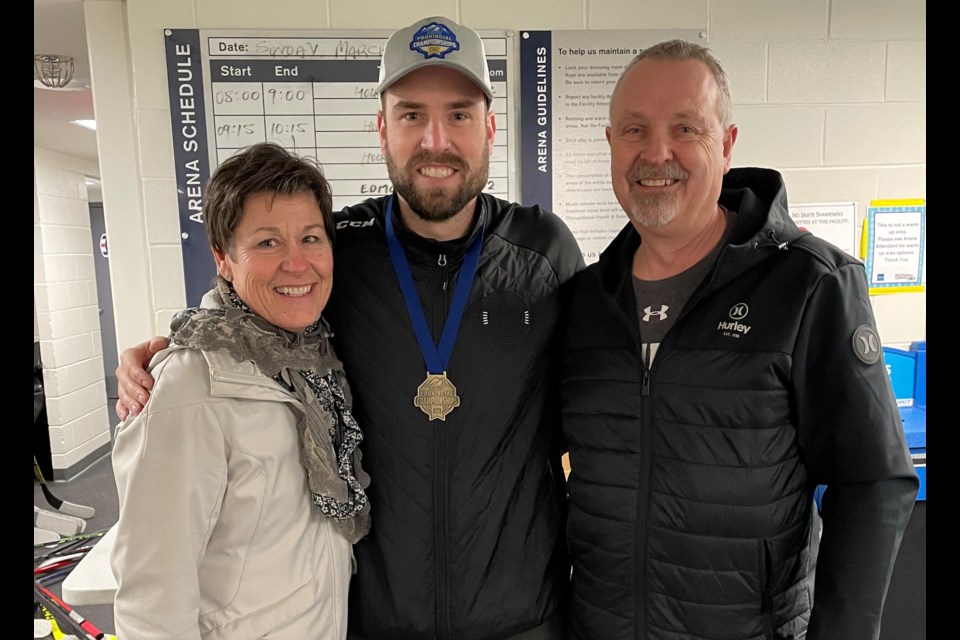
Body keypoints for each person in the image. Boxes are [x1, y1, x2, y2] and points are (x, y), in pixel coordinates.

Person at [114, 16, 584, 640]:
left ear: (491, 127)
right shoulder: (345, 252)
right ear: (382, 129)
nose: (435, 139)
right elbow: (260, 310)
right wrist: (173, 350)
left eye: (460, 113)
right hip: (374, 620)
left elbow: (602, 383)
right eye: (412, 114)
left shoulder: (543, 252)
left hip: (522, 620)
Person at [559, 40, 919, 640]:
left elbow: (873, 481)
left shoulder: (809, 285)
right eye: (634, 130)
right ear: (610, 144)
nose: (656, 153)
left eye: (685, 128)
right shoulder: (586, 301)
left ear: (725, 145)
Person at [109, 142, 371, 639]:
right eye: (267, 243)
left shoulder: (319, 358)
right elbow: (151, 594)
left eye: (311, 238)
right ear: (224, 259)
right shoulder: (188, 387)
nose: (298, 264)